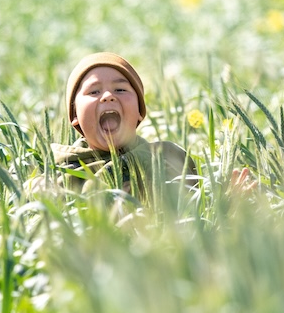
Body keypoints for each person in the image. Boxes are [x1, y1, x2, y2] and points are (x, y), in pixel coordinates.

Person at [30, 52, 196, 204]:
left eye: (120, 89)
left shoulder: (167, 157)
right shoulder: (59, 176)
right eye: (94, 92)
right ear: (75, 116)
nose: (108, 96)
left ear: (140, 110)